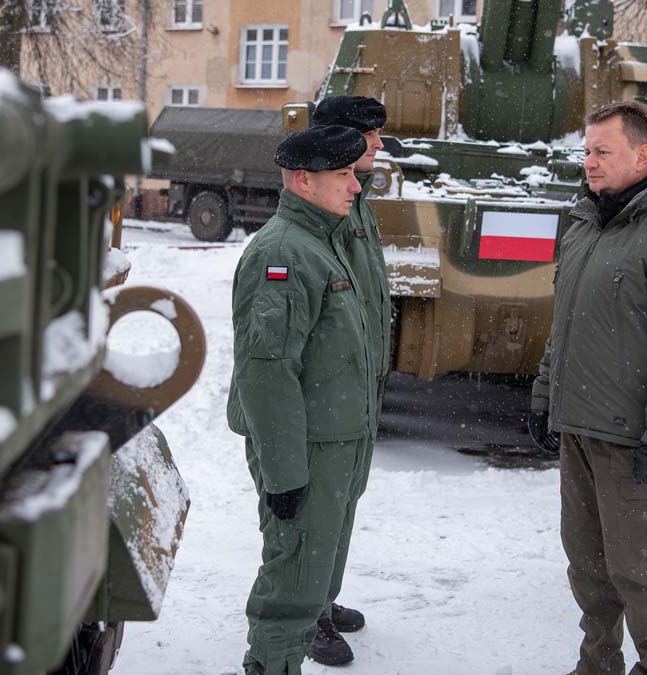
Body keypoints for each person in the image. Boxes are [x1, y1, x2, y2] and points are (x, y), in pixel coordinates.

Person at [530, 101, 647, 675]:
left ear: (643, 155)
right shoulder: (585, 224)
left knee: (639, 569)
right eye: (586, 151)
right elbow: (565, 324)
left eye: (602, 152)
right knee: (587, 565)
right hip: (580, 430)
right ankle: (598, 662)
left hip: (634, 438)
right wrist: (545, 396)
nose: (588, 162)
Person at [227, 125, 377, 675]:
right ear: (303, 180)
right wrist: (285, 475)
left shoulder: (320, 242)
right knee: (293, 577)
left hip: (331, 440)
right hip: (305, 447)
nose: (355, 188)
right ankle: (271, 665)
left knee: (312, 571)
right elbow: (266, 374)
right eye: (343, 176)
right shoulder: (284, 253)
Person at [302, 95, 390, 666]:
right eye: (372, 136)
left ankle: (323, 599)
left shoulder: (356, 200)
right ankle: (303, 615)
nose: (380, 146)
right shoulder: (325, 206)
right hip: (328, 392)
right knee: (315, 511)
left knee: (343, 501)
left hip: (359, 385)